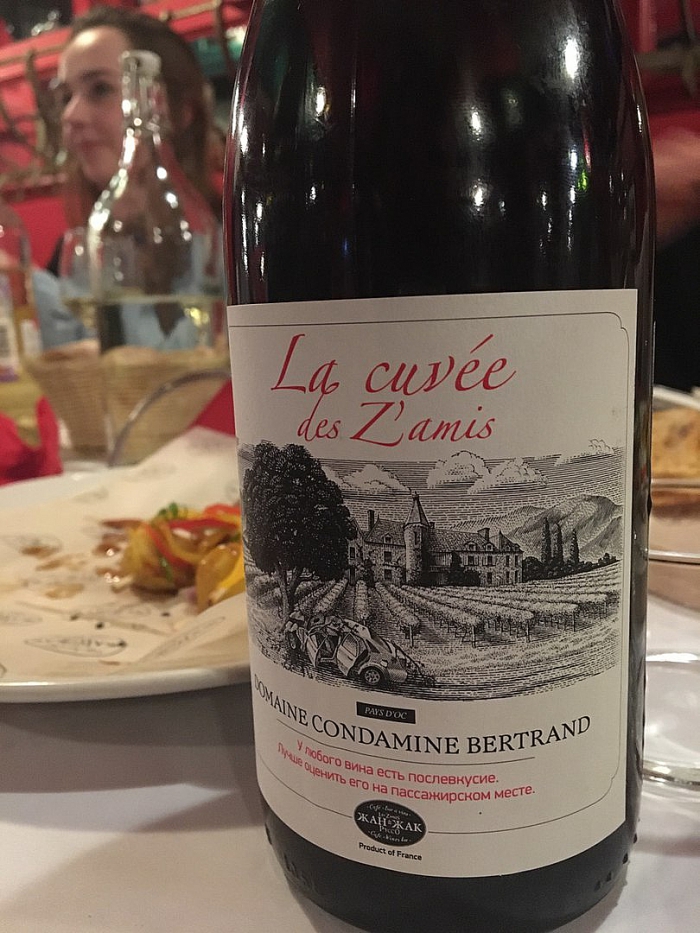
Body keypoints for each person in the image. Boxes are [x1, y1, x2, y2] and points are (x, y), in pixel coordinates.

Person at [35, 4, 222, 349]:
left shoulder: (236, 242)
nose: (70, 115)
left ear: (178, 111)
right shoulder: (74, 252)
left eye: (100, 89)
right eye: (65, 97)